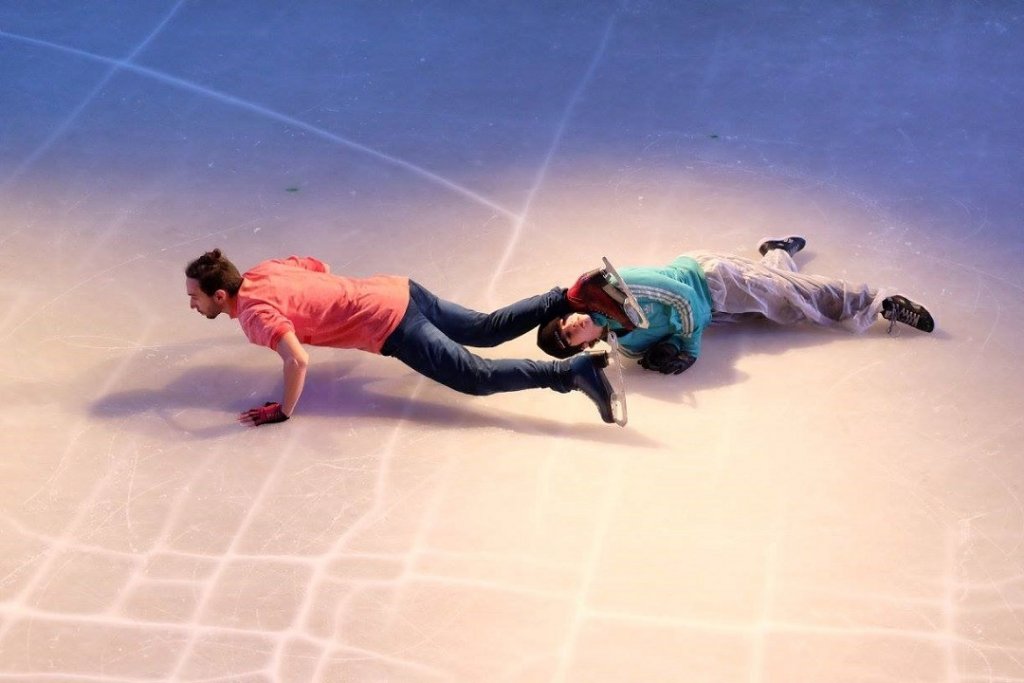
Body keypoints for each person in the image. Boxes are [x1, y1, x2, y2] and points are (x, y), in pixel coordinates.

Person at [184, 249, 635, 426]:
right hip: (395, 288)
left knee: (475, 377)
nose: (192, 305)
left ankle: (570, 371)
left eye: (195, 298)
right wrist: (328, 305)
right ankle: (573, 294)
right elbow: (316, 266)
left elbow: (296, 360)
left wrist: (282, 410)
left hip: (391, 323)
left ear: (220, 294)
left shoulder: (253, 316)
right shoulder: (263, 271)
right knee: (484, 327)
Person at [536, 236, 935, 373]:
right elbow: (665, 340)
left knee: (799, 298)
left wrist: (688, 348)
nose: (574, 323)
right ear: (585, 345)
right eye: (572, 335)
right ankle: (776, 251)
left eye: (567, 321)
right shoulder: (626, 347)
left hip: (709, 278)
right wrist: (666, 355)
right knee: (782, 305)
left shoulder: (616, 288)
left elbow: (684, 299)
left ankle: (880, 303)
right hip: (716, 313)